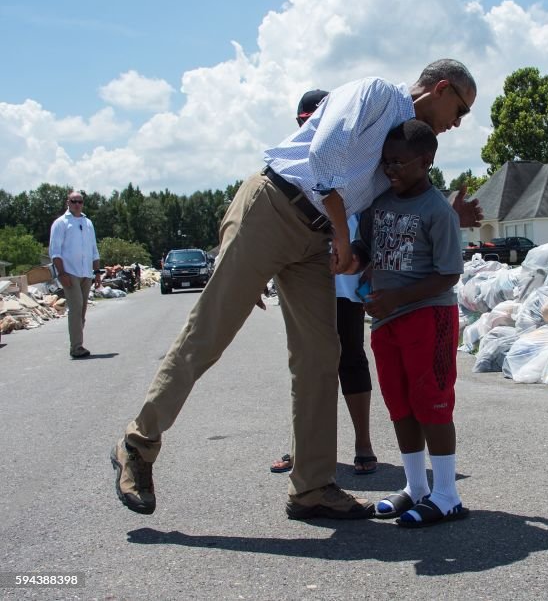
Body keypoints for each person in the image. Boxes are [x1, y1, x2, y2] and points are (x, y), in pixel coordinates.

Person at [110, 59, 480, 520]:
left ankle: (312, 487)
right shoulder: (377, 93)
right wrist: (343, 234)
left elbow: (390, 200)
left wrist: (369, 238)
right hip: (274, 206)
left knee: (321, 355)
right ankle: (139, 443)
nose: (457, 124)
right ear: (441, 88)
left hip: (316, 237)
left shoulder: (403, 139)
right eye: (460, 109)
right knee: (210, 332)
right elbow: (324, 155)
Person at [349, 120, 468, 527]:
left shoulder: (437, 211)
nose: (390, 170)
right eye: (386, 163)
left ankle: (447, 494)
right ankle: (416, 488)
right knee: (400, 405)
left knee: (432, 402)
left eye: (399, 162)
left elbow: (449, 273)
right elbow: (366, 246)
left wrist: (397, 297)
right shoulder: (378, 203)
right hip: (386, 323)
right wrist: (354, 260)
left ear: (426, 161)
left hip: (428, 316)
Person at [270, 89, 377, 476]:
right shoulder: (292, 163)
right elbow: (273, 225)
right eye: (304, 122)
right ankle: (303, 447)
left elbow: (373, 215)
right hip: (302, 279)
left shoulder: (357, 159)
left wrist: (370, 266)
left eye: (315, 120)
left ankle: (363, 443)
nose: (310, 128)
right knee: (307, 364)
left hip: (345, 282)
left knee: (351, 357)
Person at [49, 191, 102, 358]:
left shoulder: (88, 223)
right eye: (74, 201)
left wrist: (97, 272)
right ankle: (76, 347)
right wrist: (61, 273)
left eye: (80, 201)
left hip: (86, 272)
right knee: (76, 308)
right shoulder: (61, 223)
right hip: (69, 272)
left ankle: (78, 342)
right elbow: (55, 252)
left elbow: (94, 250)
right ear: (68, 202)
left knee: (83, 310)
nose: (77, 204)